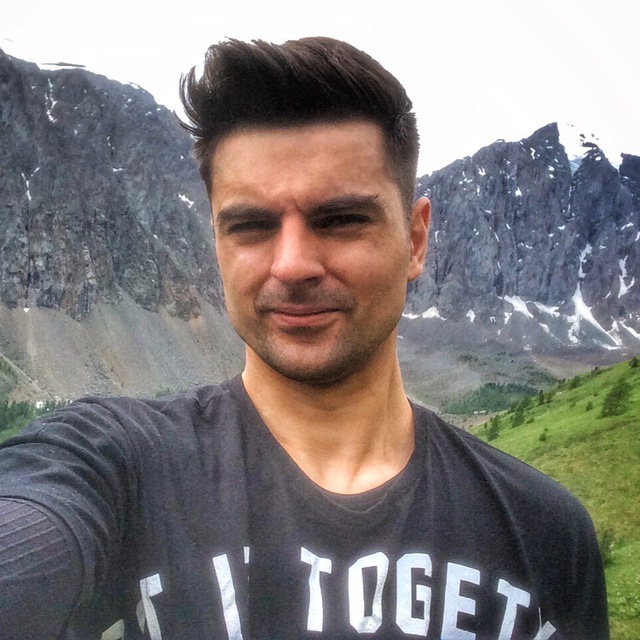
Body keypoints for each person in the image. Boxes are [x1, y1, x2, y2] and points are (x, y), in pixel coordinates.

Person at [0, 37, 608, 640]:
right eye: (251, 226)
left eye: (340, 219)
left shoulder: (547, 533)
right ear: (216, 243)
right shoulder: (119, 468)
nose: (291, 265)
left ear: (416, 240)